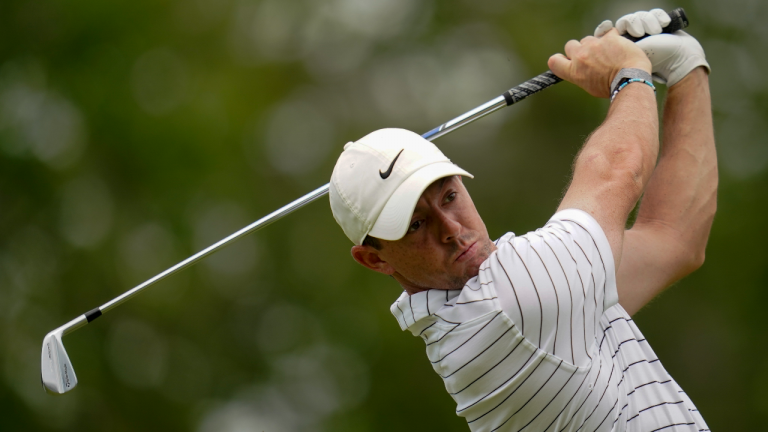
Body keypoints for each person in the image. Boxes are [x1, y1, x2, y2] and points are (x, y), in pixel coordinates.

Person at [329, 9, 716, 432]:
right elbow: (617, 170)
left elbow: (673, 240)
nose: (452, 230)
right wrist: (630, 74)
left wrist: (686, 70)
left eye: (450, 197)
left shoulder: (527, 301)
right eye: (416, 225)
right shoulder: (505, 310)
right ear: (374, 259)